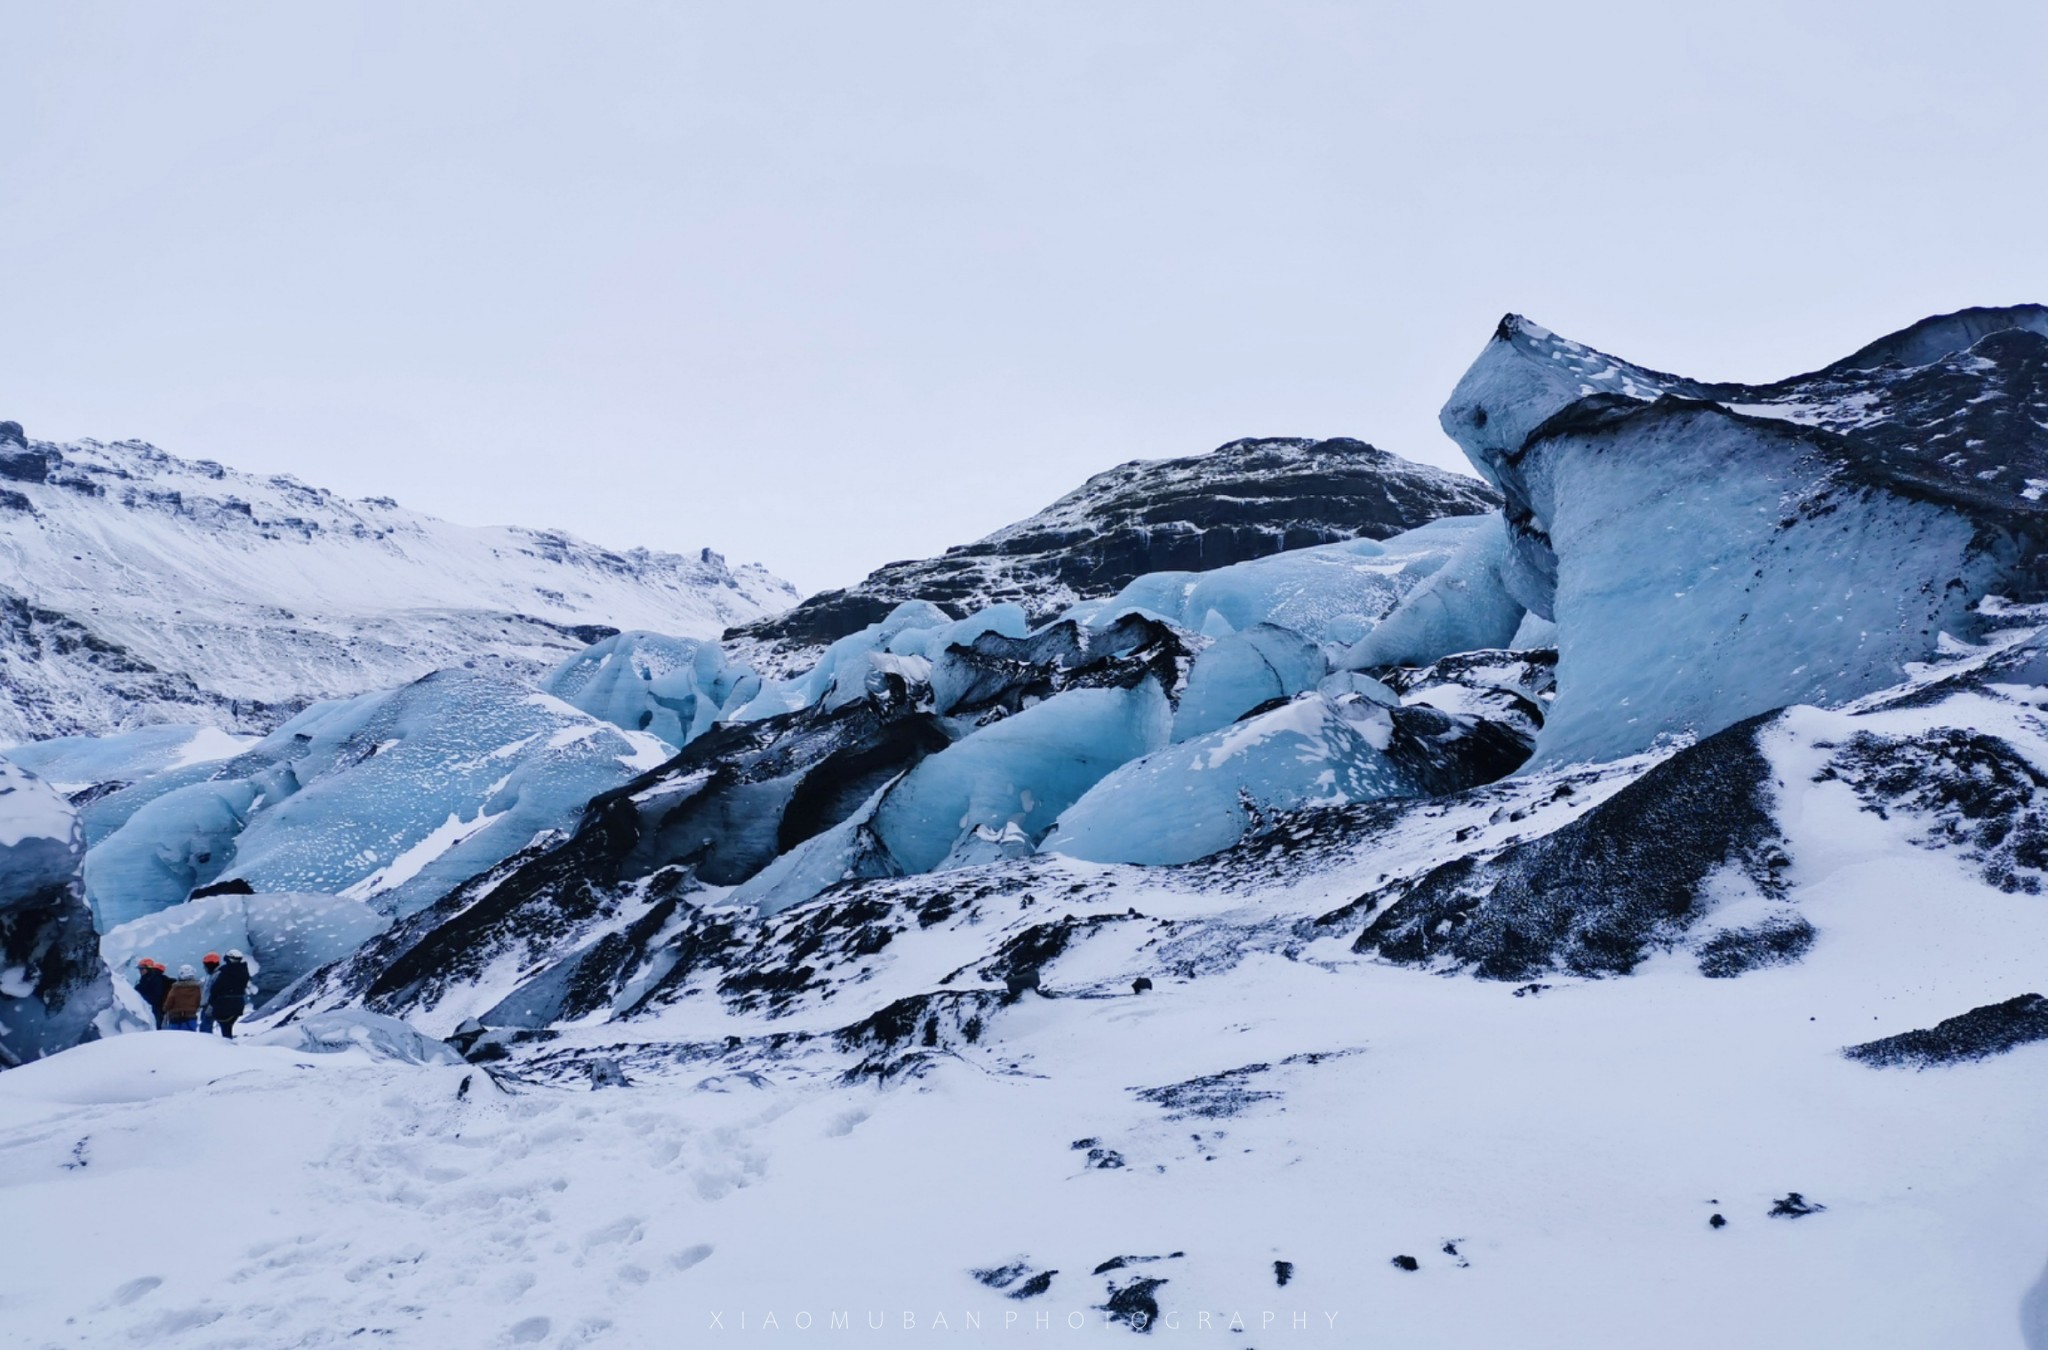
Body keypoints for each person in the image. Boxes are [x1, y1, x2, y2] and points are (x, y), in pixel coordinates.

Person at [207, 950, 251, 1039]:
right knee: (227, 1027)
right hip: (238, 1003)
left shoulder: (224, 971)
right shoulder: (244, 970)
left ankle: (226, 1045)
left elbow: (215, 988)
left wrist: (211, 1002)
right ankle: (228, 1041)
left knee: (224, 1027)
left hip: (224, 1004)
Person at [161, 965, 205, 1031]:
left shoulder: (175, 988)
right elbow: (199, 1002)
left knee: (174, 1037)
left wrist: (165, 1008)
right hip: (191, 1016)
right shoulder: (197, 988)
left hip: (175, 1017)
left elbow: (169, 1001)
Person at [134, 958, 170, 1029]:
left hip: (157, 1009)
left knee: (157, 1028)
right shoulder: (146, 979)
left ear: (148, 968)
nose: (140, 971)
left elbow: (156, 996)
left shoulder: (155, 979)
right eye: (140, 969)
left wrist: (142, 997)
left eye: (142, 969)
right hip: (154, 1008)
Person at [198, 952, 222, 1033]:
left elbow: (215, 991)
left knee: (205, 1027)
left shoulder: (217, 975)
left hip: (211, 1005)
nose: (204, 967)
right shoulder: (212, 975)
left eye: (205, 965)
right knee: (205, 1026)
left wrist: (211, 1005)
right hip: (208, 1005)